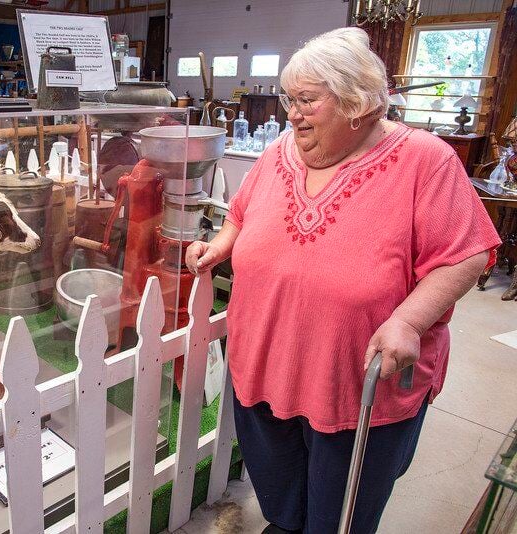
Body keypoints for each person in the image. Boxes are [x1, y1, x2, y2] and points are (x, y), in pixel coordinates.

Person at [185, 27, 500, 534]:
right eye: (290, 98)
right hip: (267, 363)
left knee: (341, 515)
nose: (291, 113)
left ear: (357, 106)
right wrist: (220, 246)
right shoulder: (281, 150)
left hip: (354, 383)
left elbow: (465, 254)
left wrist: (409, 320)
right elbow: (241, 214)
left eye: (307, 100)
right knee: (281, 494)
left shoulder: (426, 160)